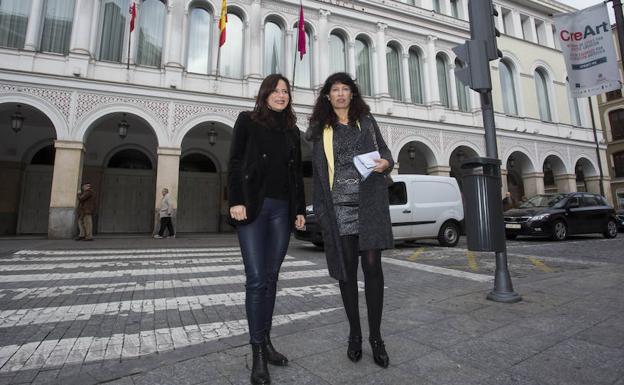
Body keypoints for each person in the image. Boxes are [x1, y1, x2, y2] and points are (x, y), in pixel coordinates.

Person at [306, 72, 394, 368]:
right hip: (338, 208)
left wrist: (386, 163)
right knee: (347, 272)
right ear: (327, 96)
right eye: (335, 90)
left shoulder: (366, 121)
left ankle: (376, 338)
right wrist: (320, 209)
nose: (341, 94)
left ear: (352, 94)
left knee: (372, 268)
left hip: (369, 204)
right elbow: (318, 174)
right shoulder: (320, 129)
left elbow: (385, 152)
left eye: (345, 89)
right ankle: (355, 335)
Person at [227, 74, 306, 385]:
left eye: (285, 91)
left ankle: (267, 340)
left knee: (272, 278)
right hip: (253, 209)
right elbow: (234, 162)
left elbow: (297, 175)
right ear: (265, 94)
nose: (281, 95)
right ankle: (258, 351)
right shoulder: (247, 121)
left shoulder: (292, 131)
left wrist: (299, 209)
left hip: (282, 211)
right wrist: (235, 200)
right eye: (275, 90)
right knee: (257, 279)